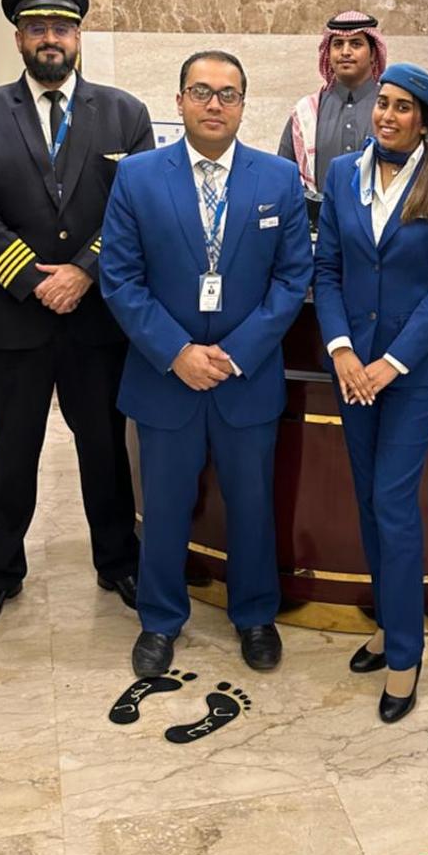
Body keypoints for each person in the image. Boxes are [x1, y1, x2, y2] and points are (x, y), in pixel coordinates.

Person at [0, 0, 153, 630]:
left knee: (105, 447)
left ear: (77, 36)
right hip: (9, 316)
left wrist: (84, 272)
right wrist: (34, 278)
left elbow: (137, 205)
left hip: (98, 318)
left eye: (61, 28)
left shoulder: (124, 112)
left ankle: (118, 561)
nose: (50, 39)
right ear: (18, 38)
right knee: (11, 449)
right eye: (37, 28)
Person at [100, 50, 312, 677]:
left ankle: (255, 615)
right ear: (179, 101)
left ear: (243, 105)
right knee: (165, 510)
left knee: (252, 506)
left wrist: (236, 354)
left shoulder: (278, 179)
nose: (214, 104)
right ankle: (160, 620)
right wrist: (177, 353)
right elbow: (120, 278)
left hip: (247, 379)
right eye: (201, 92)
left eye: (228, 94)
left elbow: (291, 278)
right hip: (165, 378)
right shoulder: (137, 176)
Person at [314, 64, 428, 722]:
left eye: (403, 107)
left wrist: (393, 363)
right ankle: (386, 622)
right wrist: (343, 350)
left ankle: (405, 654)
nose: (386, 115)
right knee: (369, 501)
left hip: (410, 376)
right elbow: (327, 269)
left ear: (425, 121)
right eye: (383, 102)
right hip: (352, 371)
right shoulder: (341, 175)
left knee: (394, 503)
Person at [278, 10, 387, 195]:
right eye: (337, 44)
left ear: (373, 54)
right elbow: (283, 178)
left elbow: (427, 174)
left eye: (356, 44)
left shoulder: (397, 108)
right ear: (328, 54)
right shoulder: (306, 113)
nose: (345, 52)